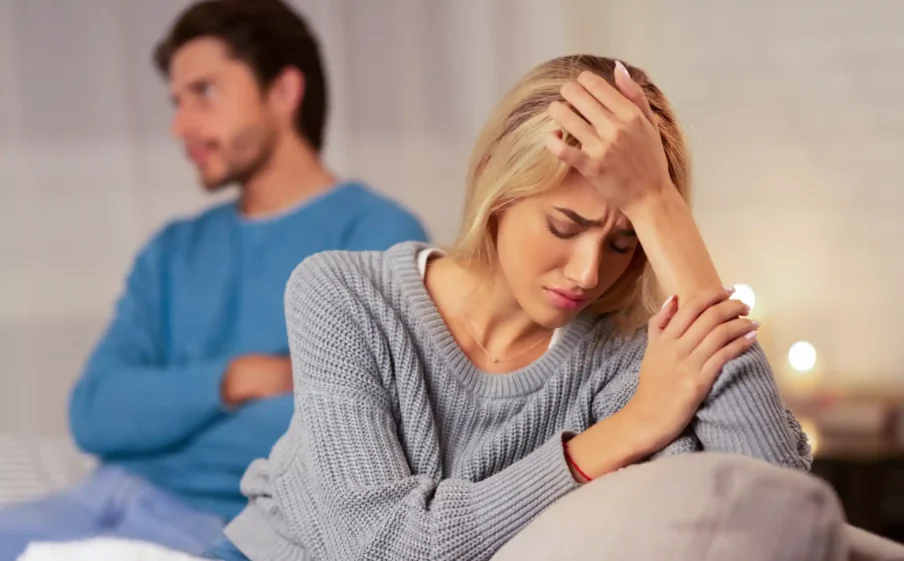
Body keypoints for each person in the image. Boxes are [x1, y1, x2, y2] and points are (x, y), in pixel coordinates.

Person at [210, 55, 810, 561]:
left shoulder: (623, 358)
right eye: (563, 224)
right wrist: (628, 430)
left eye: (625, 242)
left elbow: (782, 509)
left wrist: (661, 208)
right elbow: (382, 547)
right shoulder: (342, 296)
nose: (588, 273)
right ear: (498, 191)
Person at [0, 1, 428, 559]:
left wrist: (160, 412)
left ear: (282, 92)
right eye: (176, 102)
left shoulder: (380, 235)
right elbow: (94, 412)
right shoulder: (173, 249)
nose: (181, 125)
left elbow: (344, 438)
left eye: (204, 91)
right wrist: (238, 379)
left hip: (226, 527)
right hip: (95, 500)